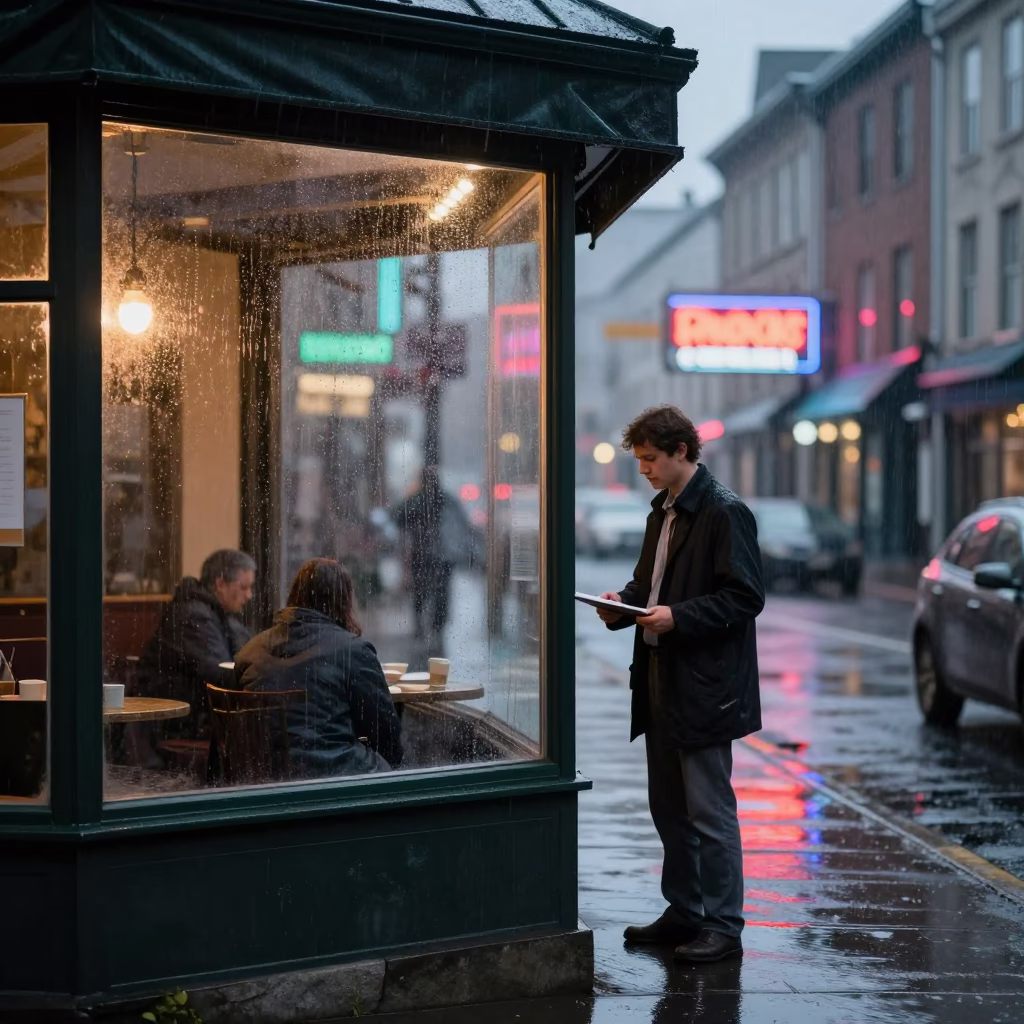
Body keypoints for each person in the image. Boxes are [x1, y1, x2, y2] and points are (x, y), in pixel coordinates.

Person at [595, 406, 764, 964]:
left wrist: (677, 617)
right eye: (639, 458)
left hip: (706, 686)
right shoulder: (661, 512)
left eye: (649, 458)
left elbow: (744, 598)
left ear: (681, 452)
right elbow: (650, 585)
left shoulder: (723, 511)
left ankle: (723, 926)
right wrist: (622, 605)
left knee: (710, 814)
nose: (641, 468)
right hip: (660, 679)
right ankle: (685, 911)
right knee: (668, 808)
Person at [234, 558, 402, 777]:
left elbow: (235, 731)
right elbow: (384, 733)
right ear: (344, 601)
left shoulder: (250, 651)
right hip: (333, 778)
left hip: (261, 779)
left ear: (295, 595)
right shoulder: (352, 651)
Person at [137, 549, 255, 739]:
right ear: (220, 584)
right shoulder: (193, 616)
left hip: (193, 717)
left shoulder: (220, 616)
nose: (249, 595)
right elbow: (219, 673)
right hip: (175, 726)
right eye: (244, 587)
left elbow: (246, 655)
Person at [393, 467, 470, 641]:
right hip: (442, 556)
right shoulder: (446, 500)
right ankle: (436, 627)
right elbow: (461, 524)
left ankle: (422, 627)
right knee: (440, 593)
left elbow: (398, 519)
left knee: (420, 593)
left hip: (422, 555)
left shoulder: (415, 500)